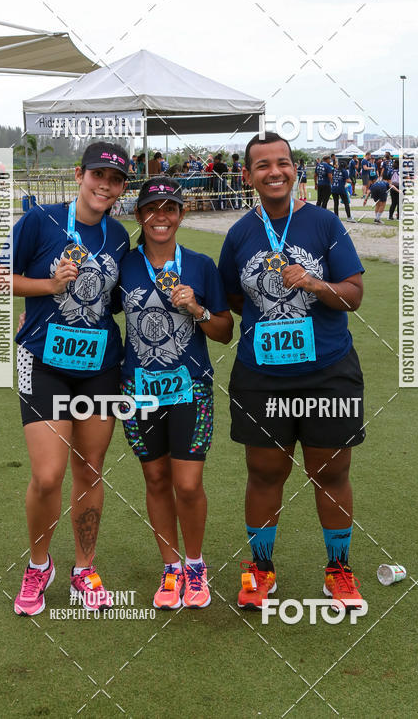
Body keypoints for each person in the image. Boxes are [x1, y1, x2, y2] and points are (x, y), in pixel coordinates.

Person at [218, 131, 366, 613]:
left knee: (331, 472)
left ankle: (339, 569)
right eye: (263, 165)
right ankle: (260, 569)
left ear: (294, 169)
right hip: (261, 376)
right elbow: (234, 299)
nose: (274, 172)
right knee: (264, 474)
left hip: (327, 371)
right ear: (248, 175)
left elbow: (353, 295)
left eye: (282, 162)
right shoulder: (239, 234)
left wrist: (314, 284)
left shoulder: (324, 223)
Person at [11, 142, 130, 616]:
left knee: (89, 469)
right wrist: (49, 287)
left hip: (100, 366)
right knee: (47, 476)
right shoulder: (40, 220)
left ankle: (84, 568)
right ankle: (39, 565)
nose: (105, 185)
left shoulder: (119, 236)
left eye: (115, 180)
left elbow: (115, 300)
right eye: (98, 175)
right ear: (80, 174)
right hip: (43, 361)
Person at [119, 177, 233, 609]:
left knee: (187, 484)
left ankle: (195, 565)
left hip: (191, 388)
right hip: (139, 389)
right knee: (155, 478)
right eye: (152, 208)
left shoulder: (201, 266)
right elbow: (93, 309)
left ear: (182, 215)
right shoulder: (125, 265)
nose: (160, 217)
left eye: (170, 208)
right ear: (139, 215)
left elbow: (224, 331)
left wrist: (197, 309)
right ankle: (170, 568)